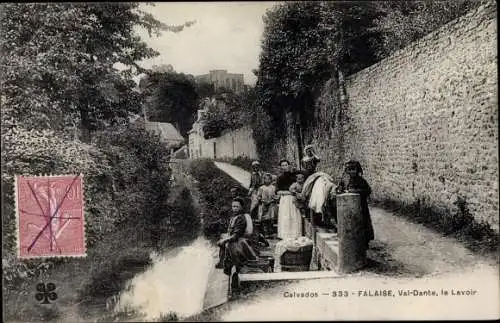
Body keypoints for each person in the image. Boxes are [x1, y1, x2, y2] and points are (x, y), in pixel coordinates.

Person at [336, 160, 374, 250]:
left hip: (361, 206)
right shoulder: (349, 180)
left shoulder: (361, 180)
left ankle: (365, 243)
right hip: (351, 206)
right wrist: (340, 189)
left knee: (363, 223)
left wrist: (356, 191)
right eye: (349, 170)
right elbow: (345, 189)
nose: (352, 172)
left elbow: (368, 190)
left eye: (353, 169)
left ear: (358, 170)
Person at [215, 198, 258, 275]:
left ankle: (229, 265)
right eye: (233, 206)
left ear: (241, 207)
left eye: (236, 206)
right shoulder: (234, 217)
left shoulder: (241, 218)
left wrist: (225, 240)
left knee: (229, 245)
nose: (234, 208)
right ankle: (224, 264)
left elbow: (236, 235)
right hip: (235, 239)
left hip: (240, 242)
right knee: (223, 242)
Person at [276, 159, 303, 240]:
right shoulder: (280, 178)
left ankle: (295, 235)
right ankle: (285, 235)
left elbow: (299, 185)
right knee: (285, 216)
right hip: (285, 199)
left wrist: (296, 192)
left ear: (289, 165)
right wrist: (289, 193)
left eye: (286, 165)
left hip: (293, 198)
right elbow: (278, 191)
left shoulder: (294, 176)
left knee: (294, 216)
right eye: (283, 165)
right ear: (281, 167)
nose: (284, 167)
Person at [257, 173, 277, 238]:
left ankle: (270, 233)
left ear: (271, 180)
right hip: (264, 205)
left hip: (271, 205)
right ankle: (265, 233)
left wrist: (272, 200)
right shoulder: (261, 188)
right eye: (266, 179)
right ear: (264, 180)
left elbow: (275, 196)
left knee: (270, 219)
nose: (267, 180)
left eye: (269, 179)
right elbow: (258, 196)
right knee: (264, 219)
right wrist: (263, 201)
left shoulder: (273, 187)